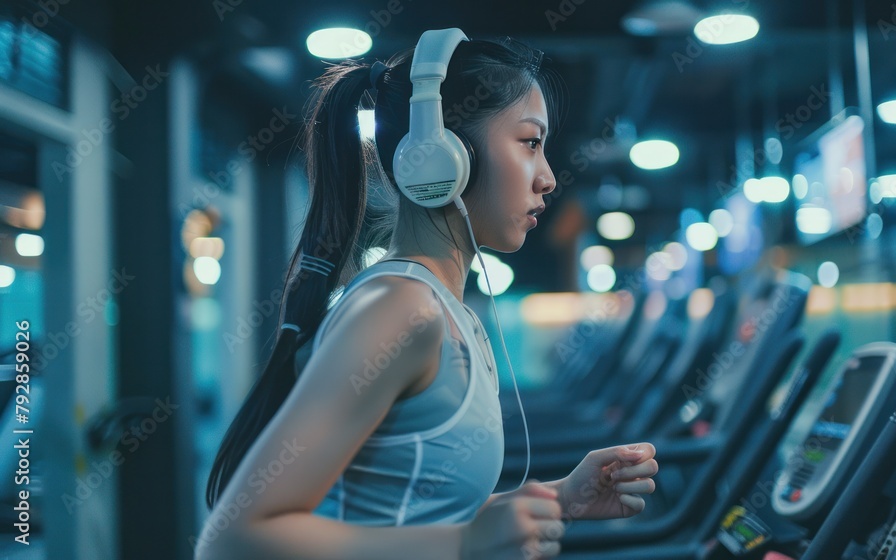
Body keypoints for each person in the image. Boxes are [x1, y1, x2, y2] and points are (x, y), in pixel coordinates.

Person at [195, 32, 658, 560]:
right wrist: (464, 544)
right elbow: (232, 541)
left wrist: (561, 499)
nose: (549, 178)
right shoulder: (401, 310)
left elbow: (412, 514)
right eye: (530, 143)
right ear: (441, 156)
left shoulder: (446, 311)